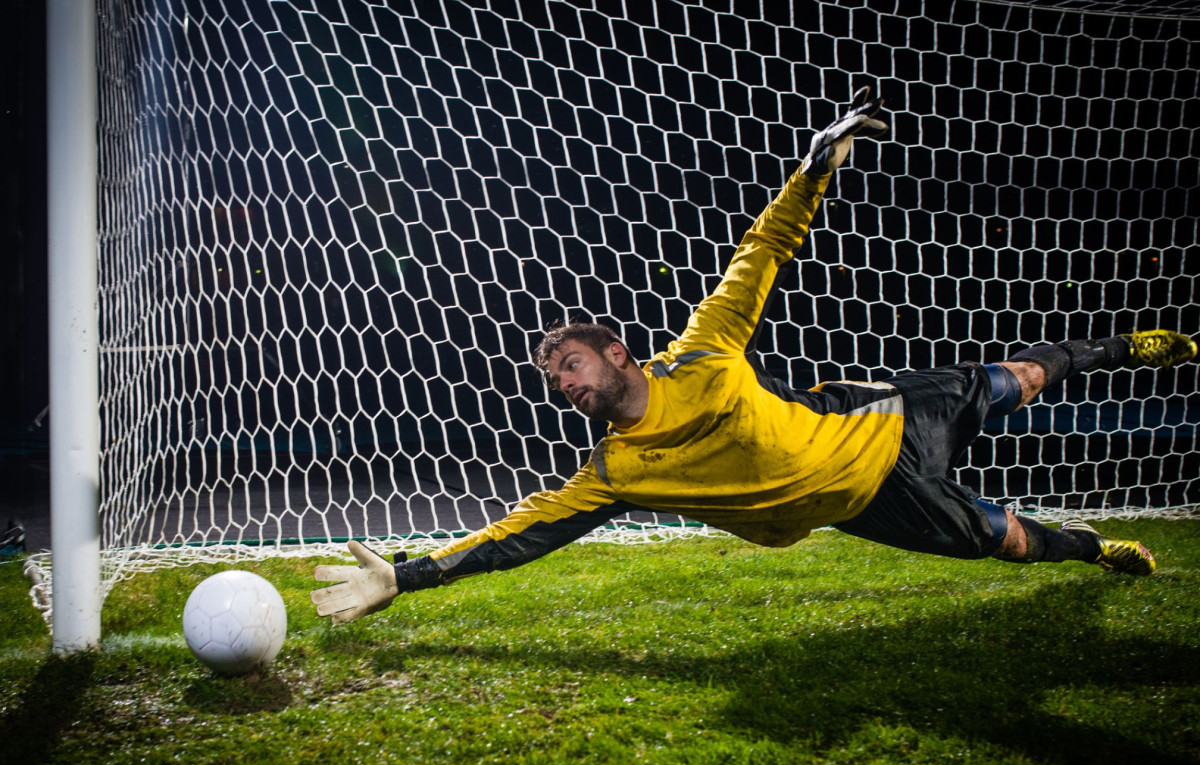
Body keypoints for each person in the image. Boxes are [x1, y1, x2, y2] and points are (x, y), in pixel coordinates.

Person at [311, 87, 1197, 625]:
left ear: (615, 353)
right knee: (1006, 540)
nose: (562, 385)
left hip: (879, 417)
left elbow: (757, 254)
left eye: (569, 365)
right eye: (552, 379)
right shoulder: (615, 471)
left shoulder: (700, 354)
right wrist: (407, 573)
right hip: (868, 503)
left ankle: (1125, 345)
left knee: (1019, 379)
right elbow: (518, 536)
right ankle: (1090, 550)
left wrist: (813, 171)